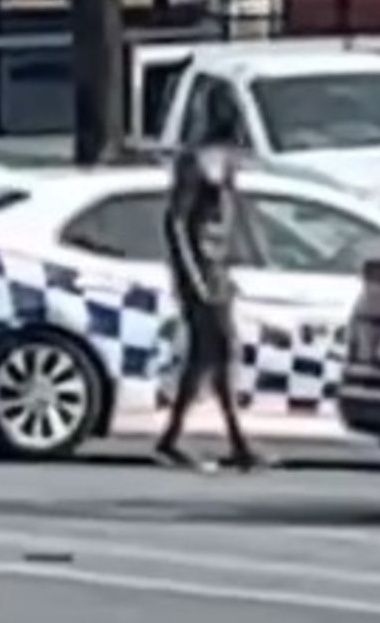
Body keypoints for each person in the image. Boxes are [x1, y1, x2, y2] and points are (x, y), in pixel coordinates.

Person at [154, 86, 269, 473]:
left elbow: (234, 216)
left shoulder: (224, 161)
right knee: (220, 349)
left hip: (216, 267)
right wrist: (192, 275)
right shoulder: (196, 162)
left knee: (206, 356)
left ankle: (176, 437)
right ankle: (235, 441)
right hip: (200, 269)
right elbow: (176, 223)